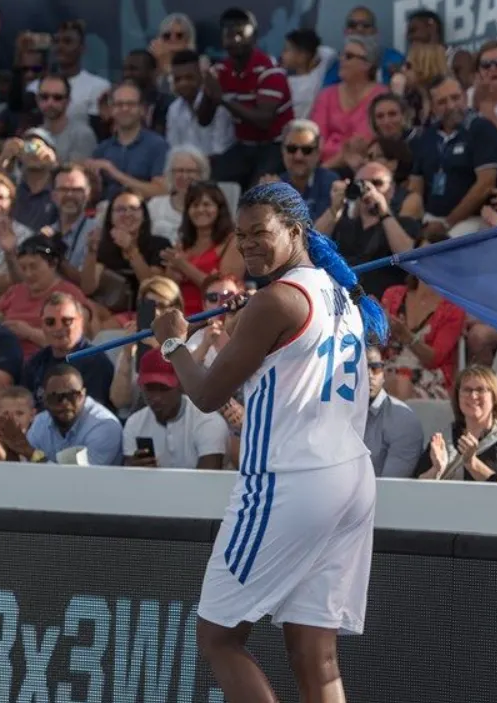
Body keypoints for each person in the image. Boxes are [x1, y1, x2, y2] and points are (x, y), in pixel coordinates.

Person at [151, 181, 388, 702]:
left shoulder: (276, 300)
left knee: (218, 637)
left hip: (290, 479)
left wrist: (173, 341)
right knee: (314, 650)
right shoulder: (341, 293)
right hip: (350, 475)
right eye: (241, 236)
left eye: (261, 232)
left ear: (296, 231)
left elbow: (209, 394)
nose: (249, 244)